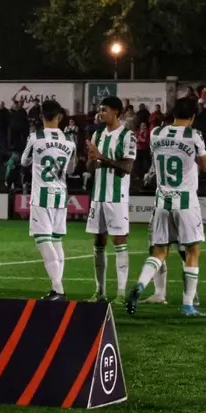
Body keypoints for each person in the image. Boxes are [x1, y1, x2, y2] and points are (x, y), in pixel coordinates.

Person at [127, 97, 206, 316]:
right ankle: (188, 305)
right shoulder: (194, 135)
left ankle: (141, 285)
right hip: (185, 201)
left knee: (159, 251)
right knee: (192, 250)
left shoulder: (156, 133)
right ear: (192, 117)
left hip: (161, 201)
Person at [21, 100, 76, 300]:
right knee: (57, 240)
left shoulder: (35, 138)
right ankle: (57, 288)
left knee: (43, 240)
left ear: (41, 116)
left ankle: (58, 288)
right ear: (59, 117)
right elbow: (71, 169)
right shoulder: (70, 141)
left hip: (42, 195)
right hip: (61, 195)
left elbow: (24, 161)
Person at [85, 96, 136, 303]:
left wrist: (101, 157)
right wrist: (90, 159)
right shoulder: (97, 134)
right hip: (98, 197)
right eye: (99, 110)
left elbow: (127, 168)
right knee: (98, 242)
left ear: (116, 112)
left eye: (104, 110)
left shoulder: (127, 135)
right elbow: (92, 167)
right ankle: (100, 291)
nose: (100, 113)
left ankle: (121, 293)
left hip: (116, 197)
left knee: (119, 241)